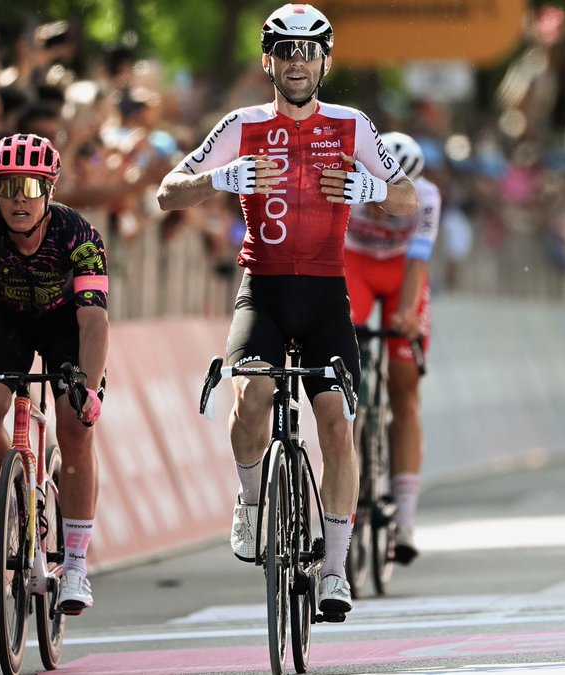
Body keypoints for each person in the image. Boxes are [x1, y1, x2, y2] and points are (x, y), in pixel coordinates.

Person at [156, 2, 417, 616]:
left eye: (309, 51)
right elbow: (168, 191)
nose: (297, 62)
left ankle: (334, 570)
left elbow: (407, 198)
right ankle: (250, 502)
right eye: (286, 51)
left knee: (336, 423)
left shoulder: (351, 125)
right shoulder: (240, 125)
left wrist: (373, 190)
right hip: (263, 290)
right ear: (268, 60)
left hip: (325, 293)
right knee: (251, 398)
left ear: (324, 61)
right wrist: (222, 180)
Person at [0, 133, 109, 615]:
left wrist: (87, 388)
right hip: (5, 319)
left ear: (49, 191)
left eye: (30, 187)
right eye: (7, 187)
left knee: (75, 428)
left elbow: (94, 320)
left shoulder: (79, 234)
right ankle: (3, 508)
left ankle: (74, 565)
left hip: (65, 323)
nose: (18, 200)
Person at [343, 131, 438, 565]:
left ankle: (406, 521)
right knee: (340, 348)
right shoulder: (350, 178)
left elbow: (419, 258)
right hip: (356, 263)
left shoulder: (428, 197)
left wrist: (406, 317)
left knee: (405, 392)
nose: (385, 213)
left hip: (402, 270)